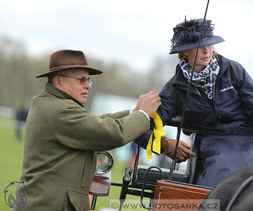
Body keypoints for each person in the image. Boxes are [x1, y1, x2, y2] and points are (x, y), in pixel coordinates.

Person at [135, 18, 253, 188]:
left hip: (252, 139)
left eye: (209, 44)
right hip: (215, 143)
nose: (206, 50)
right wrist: (165, 144)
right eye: (198, 46)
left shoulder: (234, 71)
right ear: (185, 51)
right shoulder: (176, 89)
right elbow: (142, 129)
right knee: (222, 179)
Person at [15, 49, 161, 211]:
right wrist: (143, 114)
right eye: (81, 80)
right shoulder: (59, 109)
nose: (88, 86)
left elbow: (96, 122)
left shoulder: (52, 104)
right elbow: (113, 134)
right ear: (59, 81)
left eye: (88, 80)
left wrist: (132, 113)